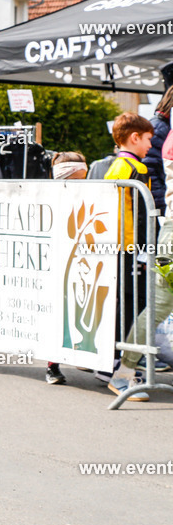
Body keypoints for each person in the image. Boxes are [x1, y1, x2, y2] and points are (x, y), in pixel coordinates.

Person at [101, 112, 152, 398]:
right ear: (134, 137)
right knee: (133, 310)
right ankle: (123, 373)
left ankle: (116, 367)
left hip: (121, 248)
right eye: (147, 139)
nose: (150, 146)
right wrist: (147, 246)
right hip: (132, 249)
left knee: (127, 308)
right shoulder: (135, 169)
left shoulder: (115, 166)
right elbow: (141, 215)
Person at [45, 151, 90, 385]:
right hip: (56, 263)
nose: (83, 184)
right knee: (58, 313)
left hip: (82, 264)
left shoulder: (92, 195)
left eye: (85, 178)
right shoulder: (50, 197)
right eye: (77, 179)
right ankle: (52, 365)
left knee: (80, 310)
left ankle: (84, 355)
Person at [143, 86, 173, 215]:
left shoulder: (159, 125)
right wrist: (160, 206)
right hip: (160, 204)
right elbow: (151, 169)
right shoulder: (160, 127)